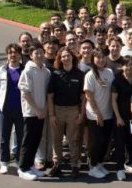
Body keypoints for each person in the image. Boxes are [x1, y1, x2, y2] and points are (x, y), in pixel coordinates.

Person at [46, 47, 85, 178]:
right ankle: (57, 165)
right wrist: (51, 115)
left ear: (72, 57)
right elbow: (50, 96)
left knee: (74, 140)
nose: (66, 58)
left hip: (74, 110)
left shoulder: (80, 75)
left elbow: (83, 97)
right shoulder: (55, 74)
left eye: (68, 56)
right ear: (60, 59)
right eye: (63, 56)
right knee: (56, 139)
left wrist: (81, 113)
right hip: (58, 110)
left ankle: (74, 165)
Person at [17, 46, 51, 181]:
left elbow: (48, 92)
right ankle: (22, 168)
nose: (39, 55)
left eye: (41, 53)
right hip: (31, 112)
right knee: (28, 140)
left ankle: (30, 166)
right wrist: (36, 109)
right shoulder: (28, 71)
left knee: (36, 140)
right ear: (31, 55)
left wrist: (44, 109)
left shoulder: (46, 71)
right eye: (36, 53)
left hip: (42, 112)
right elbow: (25, 93)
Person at [0, 43, 24, 175]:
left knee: (21, 137)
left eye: (15, 52)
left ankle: (19, 162)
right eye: (10, 53)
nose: (13, 55)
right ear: (7, 55)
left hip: (21, 110)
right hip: (5, 110)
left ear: (20, 55)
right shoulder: (0, 71)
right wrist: (2, 100)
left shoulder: (24, 70)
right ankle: (4, 163)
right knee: (4, 138)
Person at [84, 50, 116, 179]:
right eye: (97, 57)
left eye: (103, 57)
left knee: (106, 141)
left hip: (108, 113)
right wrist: (97, 113)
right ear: (93, 59)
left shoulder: (109, 72)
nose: (101, 60)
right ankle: (92, 166)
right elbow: (89, 96)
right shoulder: (90, 74)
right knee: (97, 141)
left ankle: (99, 163)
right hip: (95, 114)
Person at [111, 55, 132, 181]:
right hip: (121, 116)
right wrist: (118, 117)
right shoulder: (117, 80)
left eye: (131, 64)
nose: (128, 67)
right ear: (121, 66)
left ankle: (130, 163)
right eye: (126, 65)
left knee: (131, 141)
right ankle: (119, 168)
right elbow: (113, 100)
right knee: (119, 142)